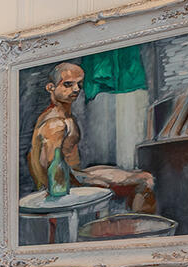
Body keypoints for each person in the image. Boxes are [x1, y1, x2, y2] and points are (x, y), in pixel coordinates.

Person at [29, 61, 155, 212]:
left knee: (138, 174)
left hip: (76, 175)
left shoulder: (64, 116)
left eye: (79, 84)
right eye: (68, 84)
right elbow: (51, 168)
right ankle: (139, 230)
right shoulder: (55, 124)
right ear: (51, 88)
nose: (76, 89)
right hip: (69, 183)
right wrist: (92, 181)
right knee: (145, 180)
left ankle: (130, 223)